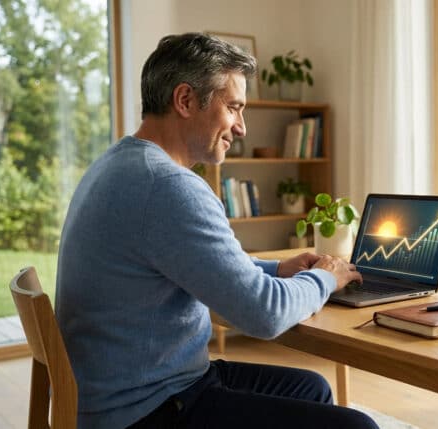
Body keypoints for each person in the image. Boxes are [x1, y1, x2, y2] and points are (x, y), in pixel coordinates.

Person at [55, 32, 377, 429]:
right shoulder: (168, 186)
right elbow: (265, 314)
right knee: (357, 427)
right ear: (185, 100)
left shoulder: (120, 164)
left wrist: (278, 270)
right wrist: (325, 278)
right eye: (234, 108)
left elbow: (195, 263)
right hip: (147, 410)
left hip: (131, 391)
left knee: (310, 387)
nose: (241, 128)